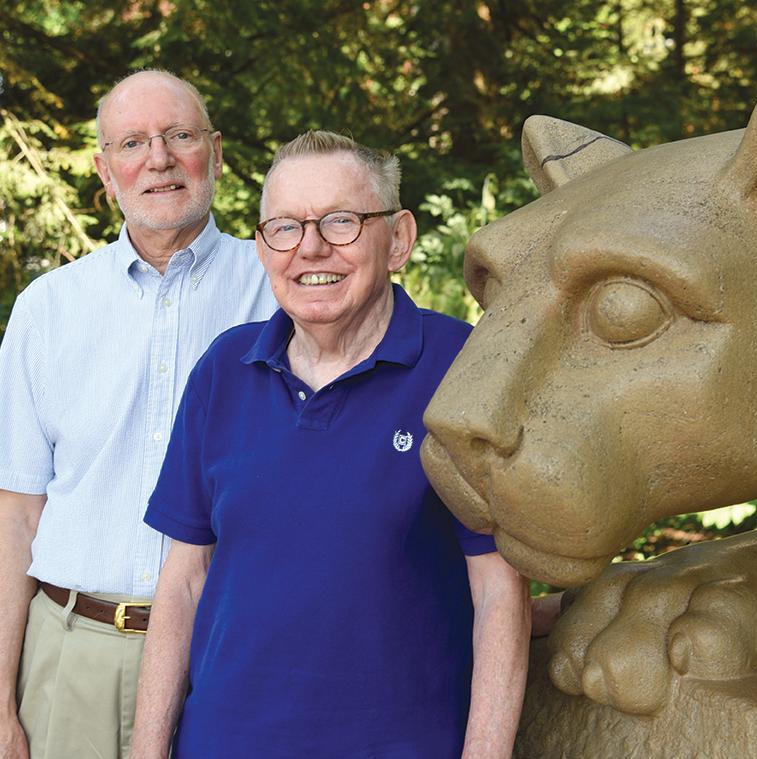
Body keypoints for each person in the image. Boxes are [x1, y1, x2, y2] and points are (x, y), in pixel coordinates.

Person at [129, 131, 532, 758]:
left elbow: (499, 590)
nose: (310, 248)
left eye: (341, 222)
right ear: (263, 247)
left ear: (398, 239)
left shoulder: (463, 367)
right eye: (284, 227)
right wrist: (148, 751)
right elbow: (184, 578)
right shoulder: (224, 369)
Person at [0, 70, 276, 759]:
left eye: (178, 135)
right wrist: (1, 699)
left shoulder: (281, 290)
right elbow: (16, 518)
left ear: (213, 153)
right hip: (71, 663)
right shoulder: (48, 308)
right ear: (105, 170)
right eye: (132, 142)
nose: (157, 158)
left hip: (233, 651)